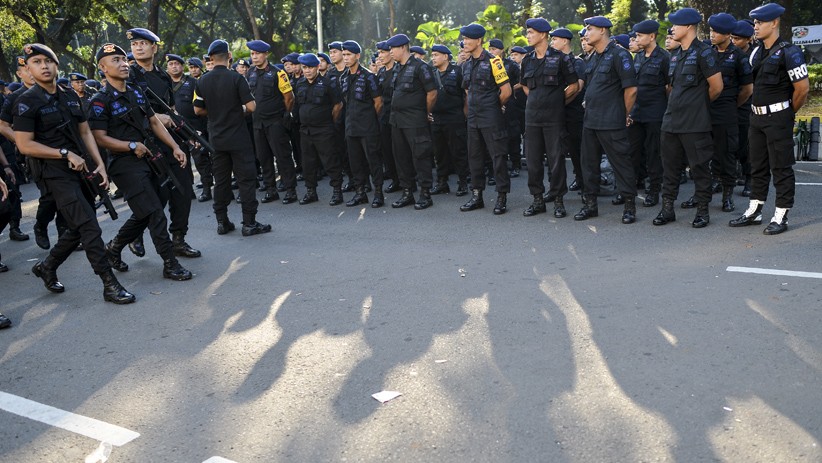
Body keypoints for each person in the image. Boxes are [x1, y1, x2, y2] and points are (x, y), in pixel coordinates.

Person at [14, 43, 134, 303]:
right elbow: (24, 144)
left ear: (57, 65)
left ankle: (47, 266)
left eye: (48, 61)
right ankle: (109, 283)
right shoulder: (26, 101)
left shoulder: (69, 95)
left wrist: (98, 163)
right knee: (89, 226)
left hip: (81, 169)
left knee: (82, 224)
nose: (44, 66)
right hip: (54, 173)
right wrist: (64, 154)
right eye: (36, 62)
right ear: (28, 69)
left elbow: (84, 132)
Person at [88, 43, 192, 282]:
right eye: (115, 60)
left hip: (149, 159)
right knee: (156, 212)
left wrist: (175, 146)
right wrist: (131, 146)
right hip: (124, 165)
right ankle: (170, 263)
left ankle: (113, 248)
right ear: (102, 68)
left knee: (146, 211)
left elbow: (154, 122)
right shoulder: (99, 100)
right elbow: (100, 137)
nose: (123, 63)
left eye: (124, 59)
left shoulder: (136, 91)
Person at [729, 3, 809, 234]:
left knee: (781, 168)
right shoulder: (756, 51)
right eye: (754, 22)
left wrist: (785, 113)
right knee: (758, 166)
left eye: (760, 22)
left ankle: (781, 215)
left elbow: (802, 89)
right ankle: (755, 210)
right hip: (757, 118)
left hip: (778, 117)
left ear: (774, 23)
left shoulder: (790, 52)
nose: (755, 26)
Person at [127, 28, 200, 259]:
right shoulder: (128, 76)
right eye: (135, 44)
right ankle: (133, 237)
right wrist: (158, 119)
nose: (138, 47)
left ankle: (178, 238)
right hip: (146, 142)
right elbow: (131, 112)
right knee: (155, 197)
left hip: (171, 140)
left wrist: (186, 132)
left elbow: (172, 109)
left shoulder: (162, 76)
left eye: (143, 43)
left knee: (183, 190)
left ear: (154, 48)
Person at [653, 8, 723, 228]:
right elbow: (673, 88)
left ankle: (702, 211)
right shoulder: (675, 55)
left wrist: (697, 107)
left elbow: (717, 87)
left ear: (689, 27)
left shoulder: (704, 52)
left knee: (699, 168)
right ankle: (667, 209)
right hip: (671, 121)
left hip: (695, 123)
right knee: (670, 168)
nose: (672, 29)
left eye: (676, 25)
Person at [193, 39, 271, 236]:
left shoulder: (202, 80)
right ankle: (249, 223)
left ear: (210, 58)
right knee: (246, 180)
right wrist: (238, 110)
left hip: (216, 139)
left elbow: (197, 109)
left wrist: (215, 112)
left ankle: (222, 222)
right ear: (229, 57)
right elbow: (252, 107)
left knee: (221, 181)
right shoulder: (236, 78)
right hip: (238, 138)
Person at [573, 16, 638, 224]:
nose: (586, 33)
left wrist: (623, 114)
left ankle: (629, 206)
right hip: (591, 120)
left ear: (602, 31)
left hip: (611, 121)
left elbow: (631, 90)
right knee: (588, 165)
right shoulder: (593, 57)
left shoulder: (620, 54)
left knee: (621, 164)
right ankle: (590, 205)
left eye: (589, 29)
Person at [520, 19, 579, 218]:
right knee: (533, 161)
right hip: (532, 117)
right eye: (527, 32)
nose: (527, 35)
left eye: (531, 32)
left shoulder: (561, 58)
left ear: (543, 34)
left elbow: (573, 86)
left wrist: (555, 101)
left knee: (556, 160)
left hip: (554, 118)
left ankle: (558, 200)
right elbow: (526, 86)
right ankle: (537, 200)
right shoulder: (527, 60)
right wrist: (537, 100)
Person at [458, 24, 512, 215]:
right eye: (463, 39)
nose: (464, 42)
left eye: (468, 39)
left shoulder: (494, 61)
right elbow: (467, 90)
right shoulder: (466, 64)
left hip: (491, 116)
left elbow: (506, 91)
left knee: (498, 157)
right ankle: (477, 196)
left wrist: (492, 106)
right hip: (473, 117)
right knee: (474, 157)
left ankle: (501, 197)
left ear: (479, 40)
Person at [386, 33, 438, 210]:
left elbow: (432, 93)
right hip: (397, 121)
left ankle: (425, 194)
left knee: (420, 156)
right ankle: (407, 192)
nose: (390, 52)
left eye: (393, 48)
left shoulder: (420, 67)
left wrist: (426, 112)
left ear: (403, 48)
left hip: (415, 120)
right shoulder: (396, 68)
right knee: (401, 157)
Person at [245, 40, 298, 204]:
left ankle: (290, 190)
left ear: (265, 54)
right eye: (252, 54)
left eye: (257, 54)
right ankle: (271, 190)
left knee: (283, 157)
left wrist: (284, 115)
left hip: (275, 122)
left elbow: (289, 98)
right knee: (264, 157)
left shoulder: (278, 73)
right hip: (257, 123)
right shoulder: (250, 73)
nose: (254, 57)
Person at [292, 53, 345, 206]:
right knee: (308, 163)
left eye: (310, 68)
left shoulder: (328, 83)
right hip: (306, 131)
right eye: (305, 68)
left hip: (323, 130)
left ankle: (337, 191)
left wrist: (331, 122)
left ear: (317, 67)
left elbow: (338, 105)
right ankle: (311, 192)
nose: (307, 71)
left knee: (330, 161)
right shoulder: (300, 83)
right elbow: (298, 104)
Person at [629, 20, 669, 208]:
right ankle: (631, 188)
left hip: (655, 113)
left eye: (639, 36)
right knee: (634, 152)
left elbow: (669, 87)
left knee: (654, 153)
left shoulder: (664, 57)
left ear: (651, 37)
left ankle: (653, 190)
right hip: (637, 112)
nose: (636, 39)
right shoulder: (639, 57)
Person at [340, 40, 384, 207]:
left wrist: (370, 119)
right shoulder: (344, 78)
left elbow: (378, 102)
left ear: (357, 56)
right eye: (343, 55)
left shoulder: (368, 76)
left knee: (373, 161)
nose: (345, 58)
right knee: (355, 162)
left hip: (368, 127)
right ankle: (360, 193)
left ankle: (378, 193)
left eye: (348, 55)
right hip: (351, 127)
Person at [166, 53, 213, 203]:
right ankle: (188, 190)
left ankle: (207, 189)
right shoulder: (165, 84)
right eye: (171, 64)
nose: (174, 67)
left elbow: (203, 104)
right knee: (182, 161)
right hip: (176, 130)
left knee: (201, 160)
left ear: (182, 66)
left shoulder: (193, 82)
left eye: (177, 64)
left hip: (195, 127)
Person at [429, 44, 469, 197]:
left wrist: (464, 115)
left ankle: (463, 183)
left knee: (458, 151)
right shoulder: (432, 74)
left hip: (454, 118)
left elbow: (466, 95)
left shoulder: (457, 71)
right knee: (440, 153)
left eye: (436, 55)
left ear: (446, 56)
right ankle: (442, 183)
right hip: (437, 119)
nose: (433, 58)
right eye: (432, 55)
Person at [488, 38, 523, 178]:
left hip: (510, 102)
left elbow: (522, 81)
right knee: (496, 135)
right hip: (493, 103)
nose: (492, 52)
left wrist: (507, 90)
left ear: (501, 50)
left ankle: (516, 164)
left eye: (494, 49)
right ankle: (499, 165)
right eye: (490, 49)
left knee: (513, 134)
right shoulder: (487, 63)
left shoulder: (511, 65)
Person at [731, 20, 755, 197]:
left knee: (746, 145)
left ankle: (750, 179)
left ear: (748, 39)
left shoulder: (755, 55)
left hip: (747, 105)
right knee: (728, 144)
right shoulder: (729, 53)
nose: (733, 41)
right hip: (730, 104)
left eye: (737, 39)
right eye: (732, 37)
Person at [376, 41, 400, 193]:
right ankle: (395, 179)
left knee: (400, 151)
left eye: (383, 52)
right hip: (384, 117)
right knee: (387, 150)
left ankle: (407, 180)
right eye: (379, 53)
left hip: (399, 116)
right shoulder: (381, 72)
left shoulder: (399, 70)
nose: (380, 56)